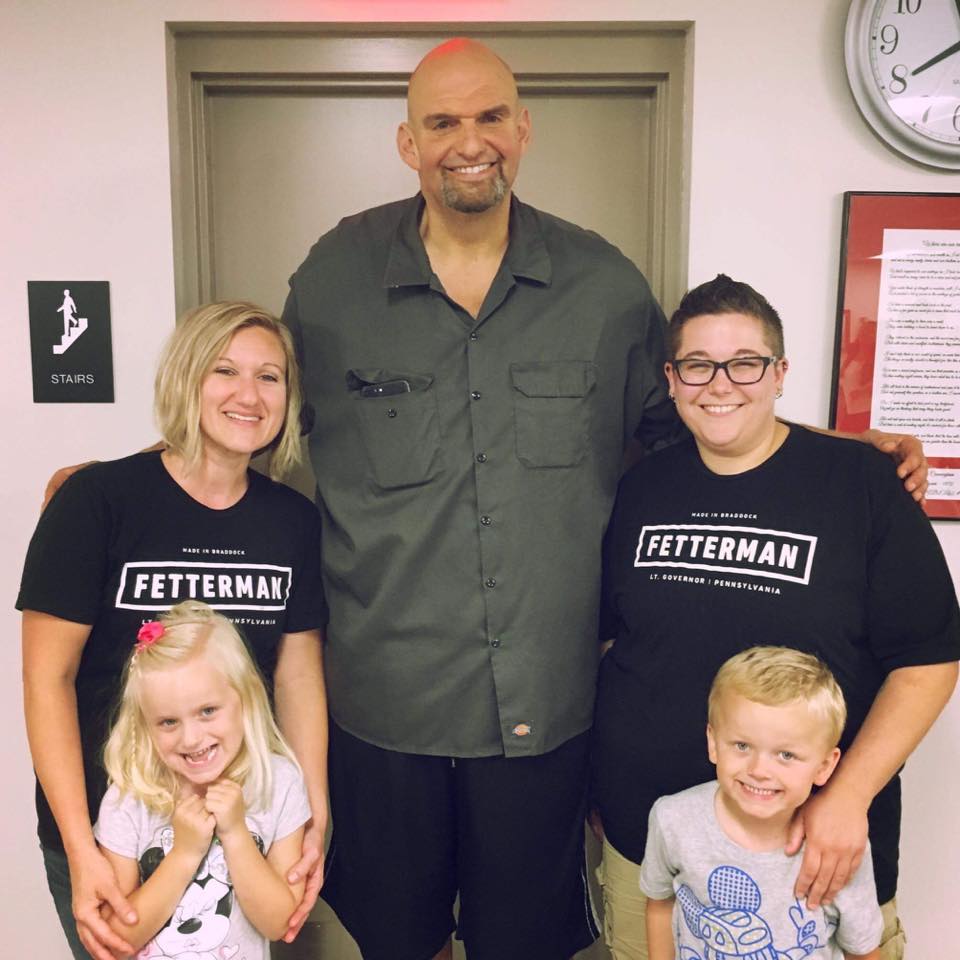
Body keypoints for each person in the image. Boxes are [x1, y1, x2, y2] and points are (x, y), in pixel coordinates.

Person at [43, 39, 929, 960]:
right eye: (443, 121)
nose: (471, 140)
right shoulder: (338, 278)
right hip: (387, 711)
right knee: (399, 938)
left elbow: (697, 417)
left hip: (547, 708)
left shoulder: (603, 287)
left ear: (523, 128)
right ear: (407, 142)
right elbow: (254, 409)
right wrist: (125, 479)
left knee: (526, 943)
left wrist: (838, 447)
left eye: (491, 116)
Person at [592, 275, 959, 960]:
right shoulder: (642, 488)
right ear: (672, 380)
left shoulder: (862, 483)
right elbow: (614, 639)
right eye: (698, 364)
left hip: (811, 842)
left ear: (780, 372)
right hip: (652, 837)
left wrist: (847, 797)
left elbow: (929, 660)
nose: (720, 383)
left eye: (746, 362)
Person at [19, 302, 328, 960]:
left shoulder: (291, 521)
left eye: (269, 377)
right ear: (185, 379)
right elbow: (48, 677)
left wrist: (313, 817)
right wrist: (80, 847)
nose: (249, 394)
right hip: (118, 837)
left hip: (246, 829)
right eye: (225, 370)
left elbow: (298, 674)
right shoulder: (95, 501)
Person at [94, 601, 311, 959]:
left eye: (207, 711)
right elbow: (116, 940)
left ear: (248, 697)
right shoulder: (129, 798)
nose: (191, 739)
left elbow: (279, 923)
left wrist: (236, 833)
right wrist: (183, 854)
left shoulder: (280, 784)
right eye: (168, 722)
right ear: (145, 724)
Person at [642, 647, 883, 960]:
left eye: (786, 755)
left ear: (824, 765)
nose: (759, 770)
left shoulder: (837, 849)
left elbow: (862, 950)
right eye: (742, 745)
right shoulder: (672, 819)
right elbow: (660, 905)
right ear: (713, 743)